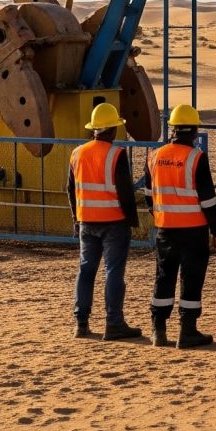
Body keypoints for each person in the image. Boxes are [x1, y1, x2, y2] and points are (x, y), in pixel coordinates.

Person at [149, 104, 216, 349]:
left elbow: (148, 195)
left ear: (172, 129)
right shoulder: (196, 158)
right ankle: (187, 331)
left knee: (164, 277)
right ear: (194, 131)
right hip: (193, 231)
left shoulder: (155, 156)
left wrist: (160, 215)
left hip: (165, 229)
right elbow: (209, 201)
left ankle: (158, 330)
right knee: (191, 279)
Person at [66, 102, 142, 340]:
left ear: (94, 129)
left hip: (86, 222)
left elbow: (70, 189)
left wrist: (76, 218)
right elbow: (125, 192)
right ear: (113, 129)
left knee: (86, 271)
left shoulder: (77, 153)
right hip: (113, 222)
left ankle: (81, 323)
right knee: (113, 272)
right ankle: (114, 323)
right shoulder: (116, 154)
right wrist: (132, 221)